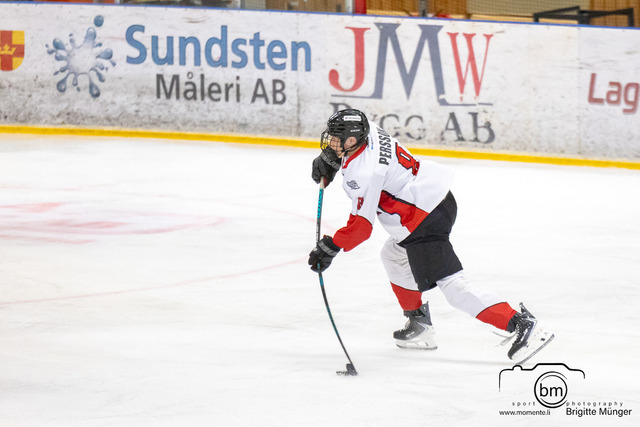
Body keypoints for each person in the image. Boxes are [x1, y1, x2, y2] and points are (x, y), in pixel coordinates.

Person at [308, 108, 554, 363]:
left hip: (422, 221)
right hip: (439, 198)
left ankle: (521, 324)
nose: (330, 141)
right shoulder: (367, 127)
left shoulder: (363, 174)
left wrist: (331, 246)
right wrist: (333, 158)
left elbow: (360, 228)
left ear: (351, 140)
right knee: (393, 255)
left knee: (453, 287)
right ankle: (419, 323)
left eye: (335, 139)